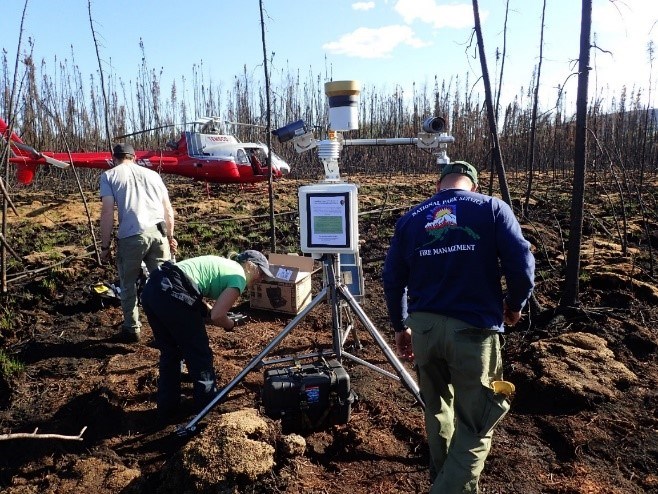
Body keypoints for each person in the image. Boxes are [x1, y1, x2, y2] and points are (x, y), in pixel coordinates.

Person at [382, 161, 535, 493]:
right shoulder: (492, 207)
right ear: (473, 187)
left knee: (437, 409)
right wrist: (515, 303)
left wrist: (399, 326)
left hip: (423, 329)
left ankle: (446, 479)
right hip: (474, 330)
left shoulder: (410, 219)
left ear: (439, 186)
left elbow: (392, 280)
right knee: (478, 421)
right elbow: (521, 261)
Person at [140, 250, 275, 419]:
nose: (261, 279)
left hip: (153, 288)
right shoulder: (239, 277)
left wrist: (207, 310)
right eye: (261, 273)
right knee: (199, 353)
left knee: (170, 352)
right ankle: (207, 403)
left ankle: (168, 407)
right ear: (250, 266)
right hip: (173, 293)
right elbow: (217, 316)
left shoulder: (224, 264)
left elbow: (191, 287)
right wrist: (231, 324)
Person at [100, 143, 178, 343]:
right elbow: (168, 209)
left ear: (114, 158)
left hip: (131, 236)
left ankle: (132, 329)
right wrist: (170, 237)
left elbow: (108, 212)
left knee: (128, 285)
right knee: (165, 284)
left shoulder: (109, 176)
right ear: (134, 157)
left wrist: (105, 245)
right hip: (159, 234)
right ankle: (172, 326)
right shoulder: (153, 175)